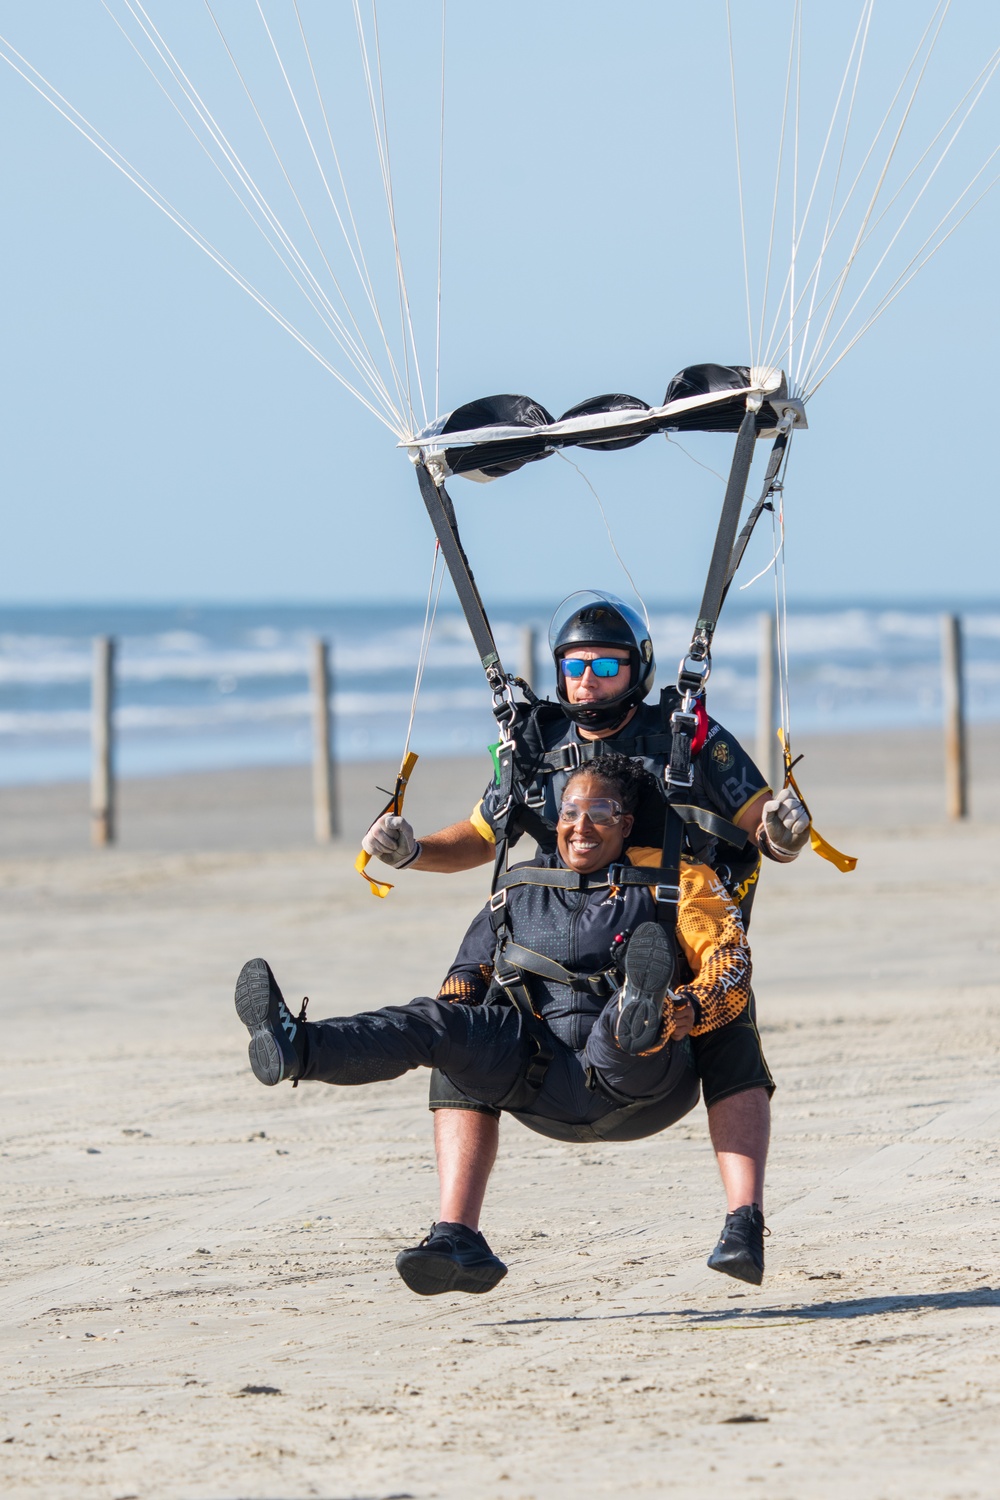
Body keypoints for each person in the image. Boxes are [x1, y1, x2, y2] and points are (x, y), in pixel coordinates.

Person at [361, 593, 808, 1288]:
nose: (587, 678)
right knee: (465, 1025)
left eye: (605, 664)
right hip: (553, 954)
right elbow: (480, 839)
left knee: (729, 1021)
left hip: (666, 947)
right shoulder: (534, 746)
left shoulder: (688, 734)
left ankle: (743, 1225)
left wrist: (784, 831)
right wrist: (411, 850)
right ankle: (457, 1234)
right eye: (574, 665)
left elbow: (763, 828)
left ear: (637, 668)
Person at [236, 756, 767, 1295]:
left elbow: (730, 959)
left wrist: (691, 1009)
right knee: (442, 1024)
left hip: (641, 1077)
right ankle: (298, 1046)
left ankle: (642, 1004)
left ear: (626, 824)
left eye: (600, 813)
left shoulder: (677, 881)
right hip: (538, 1074)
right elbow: (466, 973)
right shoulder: (518, 888)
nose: (582, 825)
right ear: (556, 818)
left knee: (625, 1023)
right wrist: (466, 1030)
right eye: (571, 811)